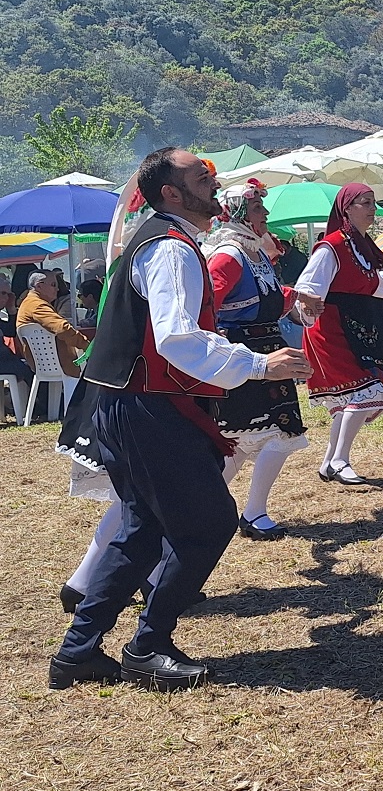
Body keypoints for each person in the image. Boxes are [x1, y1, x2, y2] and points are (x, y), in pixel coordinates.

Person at [49, 147, 312, 691]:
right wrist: (260, 364)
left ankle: (77, 653)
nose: (213, 181)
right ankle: (147, 647)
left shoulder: (163, 241)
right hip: (149, 407)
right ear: (171, 193)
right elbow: (177, 339)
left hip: (129, 404)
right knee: (208, 524)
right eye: (200, 176)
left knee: (142, 529)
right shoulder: (170, 248)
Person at [203, 180, 309, 539]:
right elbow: (208, 305)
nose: (265, 213)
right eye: (257, 208)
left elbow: (269, 297)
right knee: (271, 433)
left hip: (268, 347)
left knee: (247, 437)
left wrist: (298, 301)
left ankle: (207, 509)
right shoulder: (228, 255)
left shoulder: (255, 251)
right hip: (245, 353)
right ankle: (249, 512)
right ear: (238, 214)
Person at [294, 184, 383, 485]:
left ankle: (329, 463)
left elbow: (371, 283)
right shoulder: (331, 247)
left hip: (359, 327)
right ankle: (339, 461)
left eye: (373, 202)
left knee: (352, 399)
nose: (372, 208)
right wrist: (308, 309)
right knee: (365, 392)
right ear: (346, 208)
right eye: (365, 202)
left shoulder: (361, 245)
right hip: (331, 329)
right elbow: (307, 288)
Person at [17, 271, 89, 379]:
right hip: (61, 365)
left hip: (43, 366)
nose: (58, 289)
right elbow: (62, 328)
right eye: (53, 285)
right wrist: (87, 346)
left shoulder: (29, 303)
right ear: (39, 286)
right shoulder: (36, 305)